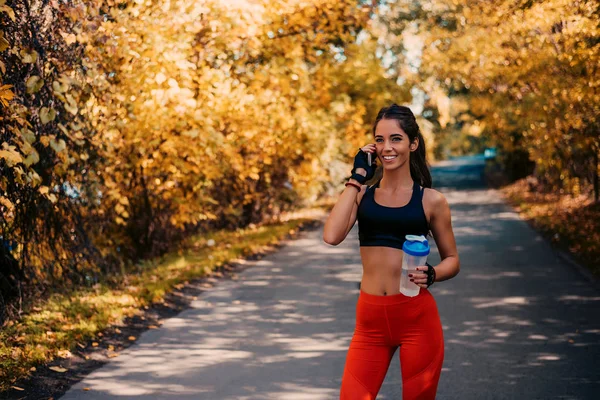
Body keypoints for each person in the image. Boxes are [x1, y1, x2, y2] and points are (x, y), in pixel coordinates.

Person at [323, 104, 460, 399]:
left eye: (396, 139)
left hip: (416, 320)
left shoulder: (432, 201)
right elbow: (332, 236)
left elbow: (453, 260)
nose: (387, 147)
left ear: (413, 143)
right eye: (380, 139)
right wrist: (357, 176)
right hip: (369, 324)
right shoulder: (361, 195)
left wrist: (433, 273)